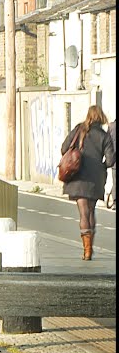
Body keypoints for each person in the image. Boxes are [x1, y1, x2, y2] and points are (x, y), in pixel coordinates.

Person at [59, 105, 115, 261]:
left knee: (83, 212)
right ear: (101, 117)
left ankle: (86, 250)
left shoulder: (79, 129)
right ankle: (90, 249)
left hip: (78, 177)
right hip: (96, 179)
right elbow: (110, 160)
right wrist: (100, 166)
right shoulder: (104, 136)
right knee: (91, 212)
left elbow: (64, 148)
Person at [109, 118, 117, 210]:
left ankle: (115, 202)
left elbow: (108, 143)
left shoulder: (111, 126)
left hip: (114, 159)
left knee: (115, 182)